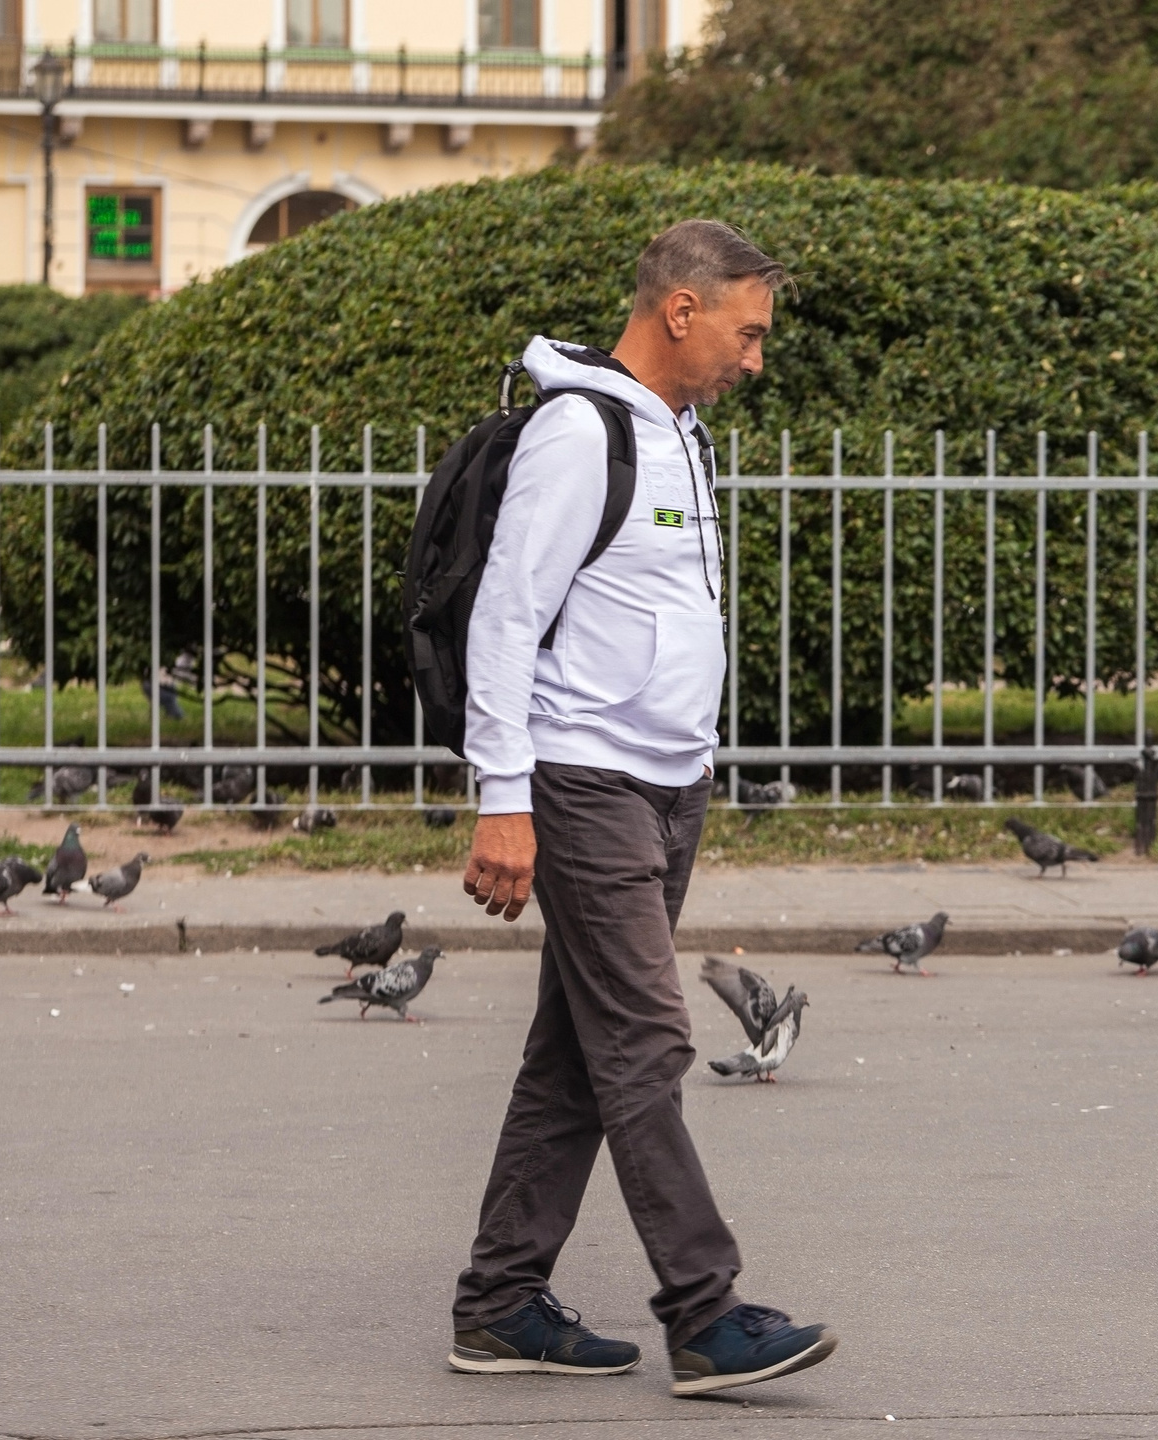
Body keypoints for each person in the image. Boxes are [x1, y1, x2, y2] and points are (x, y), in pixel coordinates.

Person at [448, 220, 839, 1397]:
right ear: (681, 310)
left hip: (671, 784)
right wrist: (503, 801)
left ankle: (499, 1301)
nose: (757, 358)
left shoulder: (683, 437)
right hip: (583, 780)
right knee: (648, 1041)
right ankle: (705, 1313)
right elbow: (504, 621)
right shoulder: (581, 432)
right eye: (749, 331)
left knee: (576, 1053)